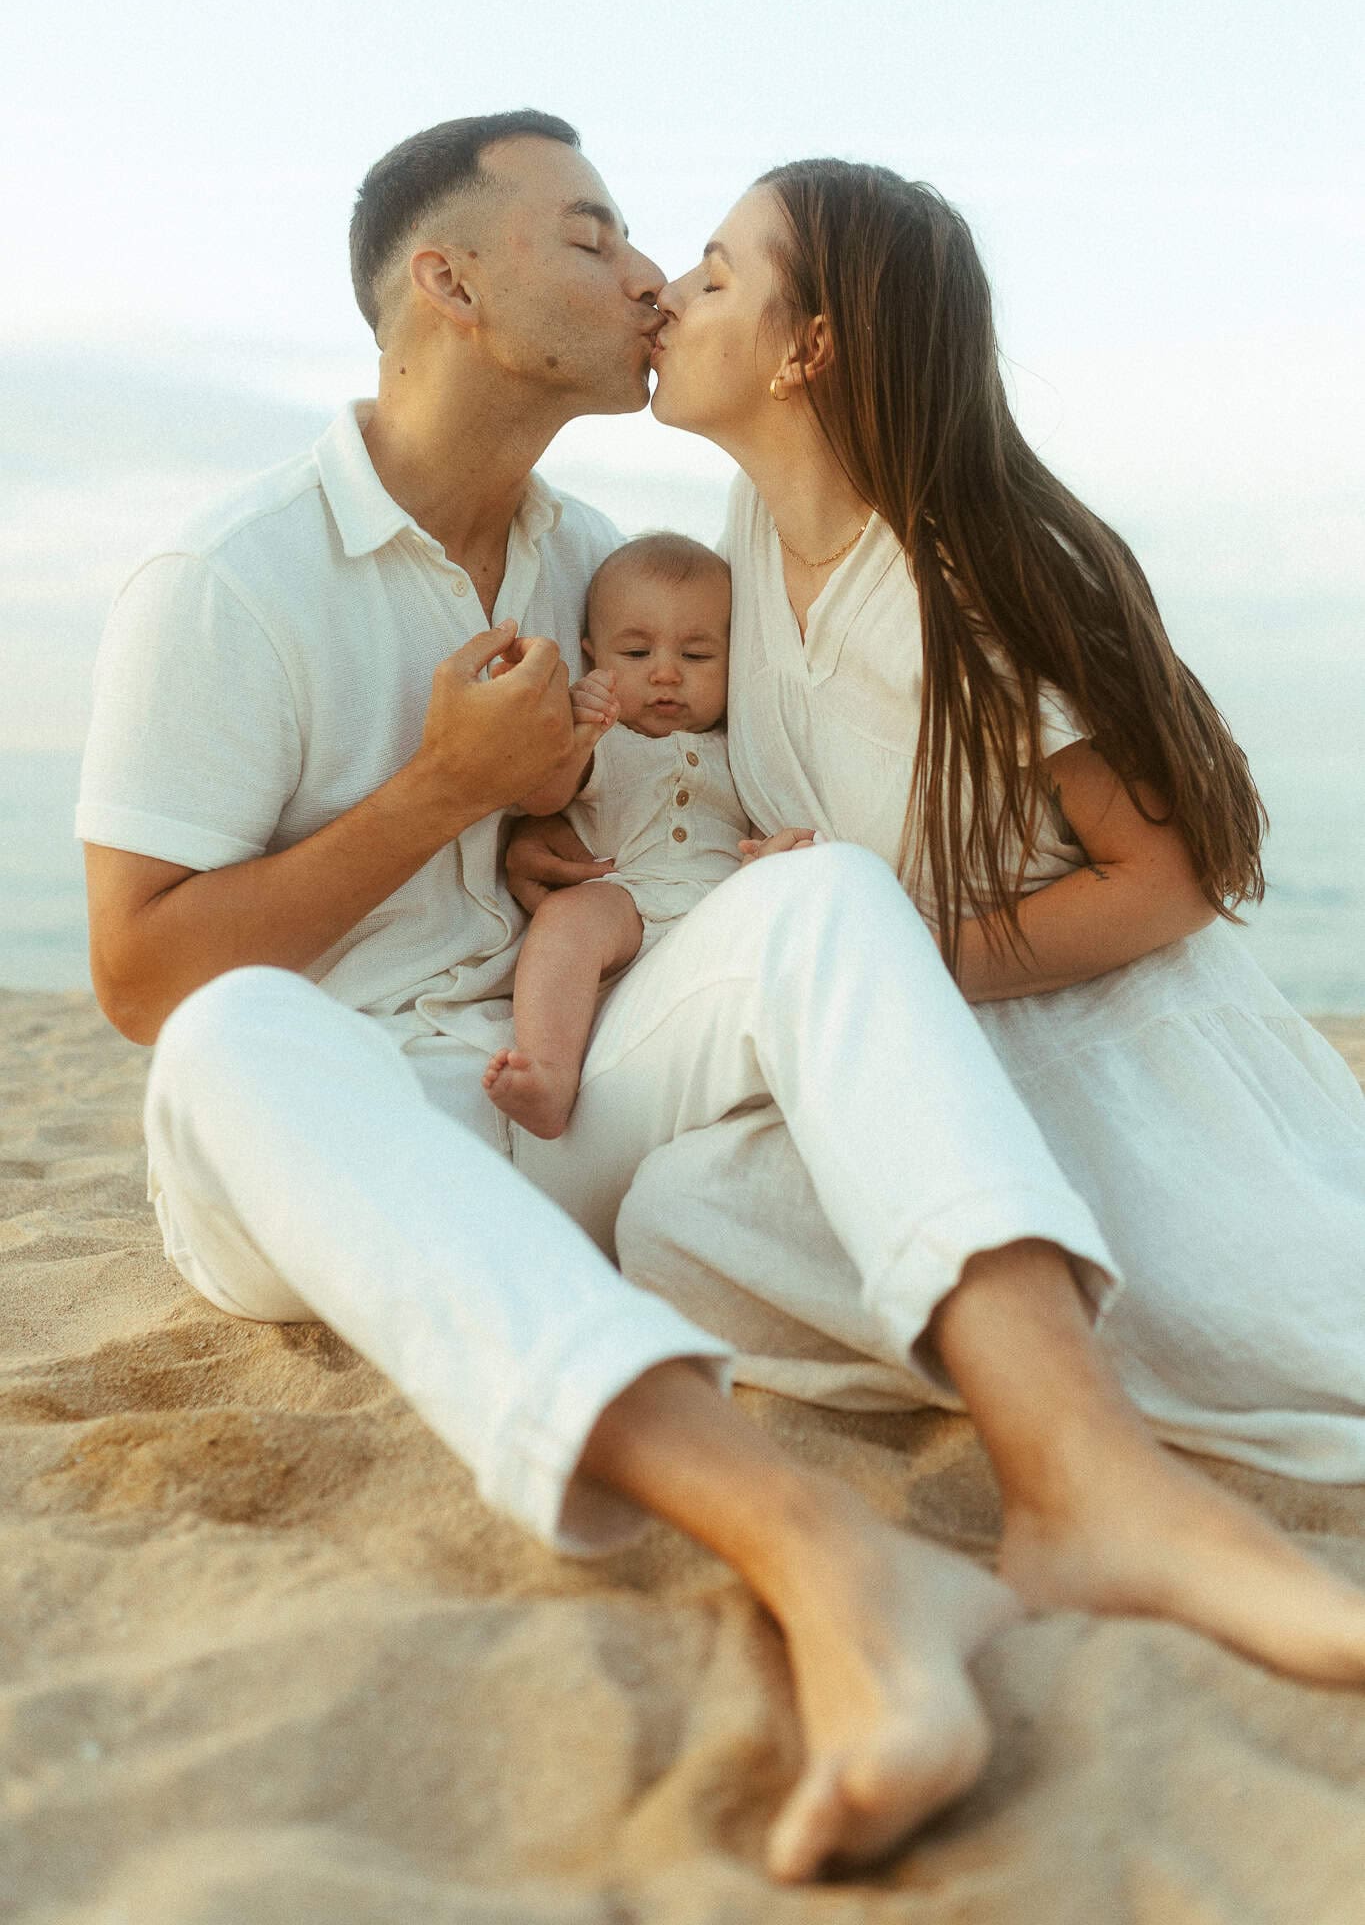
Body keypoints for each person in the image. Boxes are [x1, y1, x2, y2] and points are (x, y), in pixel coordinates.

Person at [76, 113, 1365, 1888]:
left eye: (666, 249)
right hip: (340, 1132)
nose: (644, 269)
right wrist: (447, 798)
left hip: (572, 1081)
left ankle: (1086, 1474)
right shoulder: (228, 580)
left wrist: (568, 858)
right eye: (595, 231)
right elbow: (141, 976)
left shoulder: (606, 556)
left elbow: (706, 797)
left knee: (824, 891)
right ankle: (832, 1559)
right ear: (447, 280)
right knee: (233, 1034)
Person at [515, 153, 1365, 1703]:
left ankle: (1092, 1451)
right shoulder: (744, 530)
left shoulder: (965, 574)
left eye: (713, 271)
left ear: (806, 347)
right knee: (677, 1226)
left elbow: (1168, 879)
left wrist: (898, 943)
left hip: (1089, 1035)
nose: (667, 294)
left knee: (1297, 1342)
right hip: (905, 1042)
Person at [484, 532, 747, 1138]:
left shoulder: (743, 746)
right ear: (593, 656)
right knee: (569, 917)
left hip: (720, 914)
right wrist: (576, 730)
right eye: (634, 654)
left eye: (698, 657)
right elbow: (539, 798)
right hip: (626, 903)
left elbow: (768, 815)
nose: (665, 674)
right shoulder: (606, 738)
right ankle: (548, 1075)